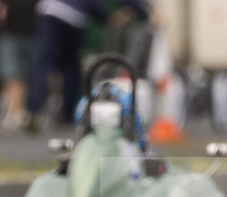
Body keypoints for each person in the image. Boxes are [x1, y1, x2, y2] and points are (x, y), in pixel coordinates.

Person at [27, 0, 150, 128]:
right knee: (69, 66)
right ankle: (65, 113)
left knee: (46, 63)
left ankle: (34, 111)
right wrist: (143, 10)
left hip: (52, 11)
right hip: (75, 16)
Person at [0, 0, 37, 133]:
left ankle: (16, 113)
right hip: (29, 34)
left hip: (10, 34)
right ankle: (14, 111)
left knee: (12, 75)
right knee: (20, 75)